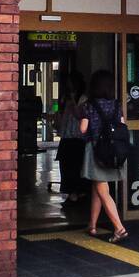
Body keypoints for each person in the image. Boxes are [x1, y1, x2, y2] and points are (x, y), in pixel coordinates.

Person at [79, 69, 129, 243]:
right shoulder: (116, 104)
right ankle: (91, 225)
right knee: (97, 188)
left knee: (103, 190)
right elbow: (122, 125)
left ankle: (119, 228)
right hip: (114, 151)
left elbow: (83, 129)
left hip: (96, 151)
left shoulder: (89, 105)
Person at [55, 70, 88, 202]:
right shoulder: (64, 97)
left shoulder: (83, 98)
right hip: (66, 135)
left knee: (76, 165)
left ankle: (78, 192)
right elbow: (61, 113)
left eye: (71, 83)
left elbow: (79, 115)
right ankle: (69, 191)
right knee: (66, 165)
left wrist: (73, 101)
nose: (69, 86)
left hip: (78, 136)